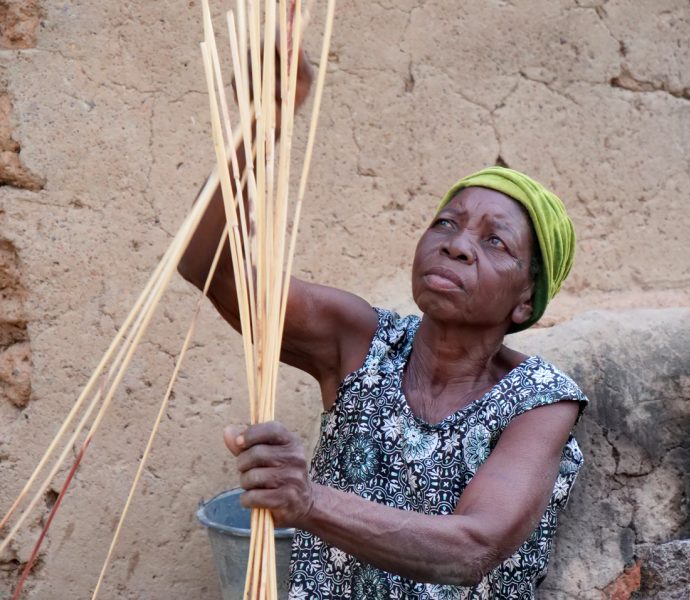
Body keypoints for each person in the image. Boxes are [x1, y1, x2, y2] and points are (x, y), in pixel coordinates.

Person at [179, 55, 587, 600]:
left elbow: (471, 549)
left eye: (495, 242)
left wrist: (306, 501)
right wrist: (263, 123)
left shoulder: (540, 404)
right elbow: (211, 265)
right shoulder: (361, 342)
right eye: (446, 222)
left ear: (525, 300)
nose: (457, 243)